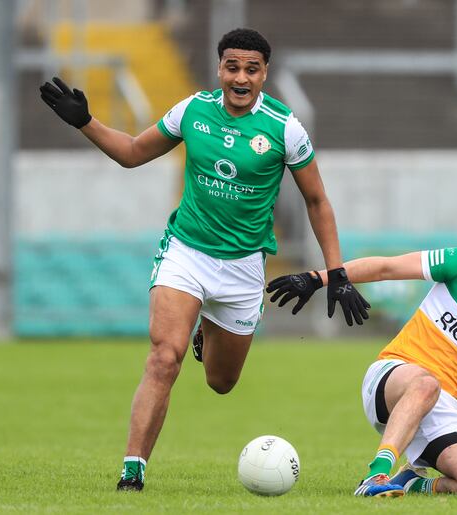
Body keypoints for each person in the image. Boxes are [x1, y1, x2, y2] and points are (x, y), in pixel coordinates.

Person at [39, 28, 369, 492]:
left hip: (243, 267)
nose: (240, 78)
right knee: (163, 358)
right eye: (232, 67)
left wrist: (337, 272)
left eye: (251, 69)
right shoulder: (192, 111)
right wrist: (86, 122)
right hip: (186, 253)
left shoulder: (285, 127)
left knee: (221, 381)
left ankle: (206, 332)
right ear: (219, 69)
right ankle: (132, 470)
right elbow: (132, 153)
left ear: (264, 74)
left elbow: (317, 202)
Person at [267, 232, 457, 497]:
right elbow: (387, 268)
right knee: (427, 383)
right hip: (394, 376)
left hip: (446, 408)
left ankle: (413, 483)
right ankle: (376, 475)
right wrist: (319, 278)